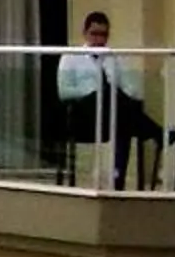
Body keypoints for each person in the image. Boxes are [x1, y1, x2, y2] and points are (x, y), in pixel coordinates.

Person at [56, 11, 162, 187]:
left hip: (110, 114)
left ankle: (118, 179)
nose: (99, 39)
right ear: (85, 33)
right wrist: (93, 91)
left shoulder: (114, 58)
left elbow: (130, 87)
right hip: (83, 114)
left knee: (123, 115)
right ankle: (156, 132)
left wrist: (122, 91)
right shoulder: (71, 57)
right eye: (94, 34)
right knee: (116, 105)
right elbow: (64, 91)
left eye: (103, 35)